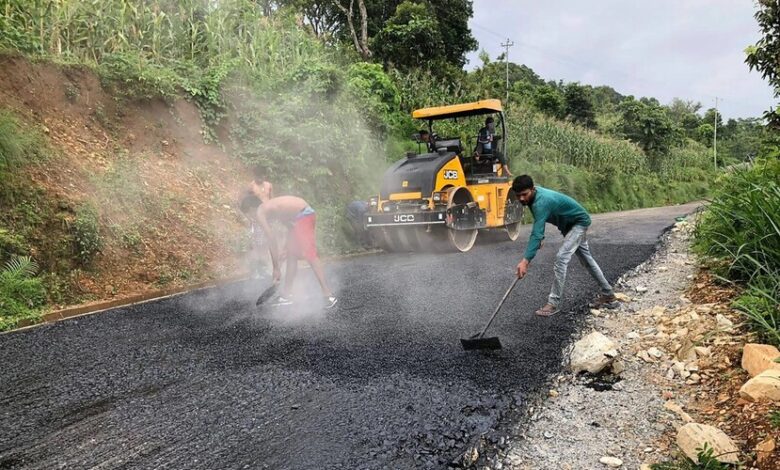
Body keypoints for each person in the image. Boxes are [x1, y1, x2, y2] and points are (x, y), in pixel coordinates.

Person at [512, 175, 615, 316]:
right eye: (518, 196)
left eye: (524, 194)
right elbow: (539, 226)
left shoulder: (541, 202)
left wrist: (525, 261)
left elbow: (536, 232)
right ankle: (608, 294)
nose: (522, 199)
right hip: (570, 227)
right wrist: (540, 237)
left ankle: (553, 303)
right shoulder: (532, 197)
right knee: (587, 261)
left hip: (578, 223)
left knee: (561, 258)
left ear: (533, 189)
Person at [247, 177, 337, 308]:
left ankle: (328, 296)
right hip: (302, 215)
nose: (250, 217)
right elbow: (290, 225)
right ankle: (286, 295)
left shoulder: (260, 212)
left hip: (304, 215)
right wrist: (286, 247)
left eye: (248, 213)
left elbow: (271, 239)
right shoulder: (271, 207)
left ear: (251, 209)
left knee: (310, 255)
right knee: (291, 255)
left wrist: (276, 268)